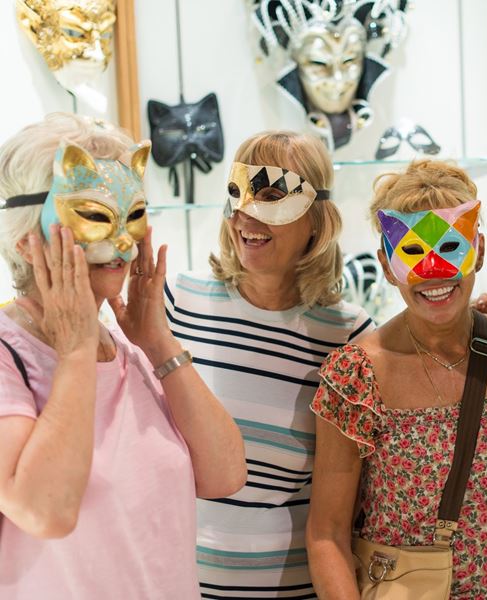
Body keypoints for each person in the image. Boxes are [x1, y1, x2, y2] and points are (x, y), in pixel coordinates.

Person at [0, 112, 246, 599]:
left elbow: (225, 474)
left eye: (133, 215)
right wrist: (74, 355)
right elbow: (46, 512)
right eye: (94, 216)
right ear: (28, 240)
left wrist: (158, 342)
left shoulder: (127, 348)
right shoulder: (9, 356)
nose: (123, 242)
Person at [306, 160, 487, 598]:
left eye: (450, 245)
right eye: (411, 251)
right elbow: (326, 534)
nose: (433, 270)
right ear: (387, 265)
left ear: (478, 249)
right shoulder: (357, 377)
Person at [164, 131, 374, 598]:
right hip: (178, 584)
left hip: (293, 589)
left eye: (272, 196)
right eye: (237, 192)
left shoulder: (349, 338)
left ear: (316, 217)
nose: (245, 213)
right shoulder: (176, 303)